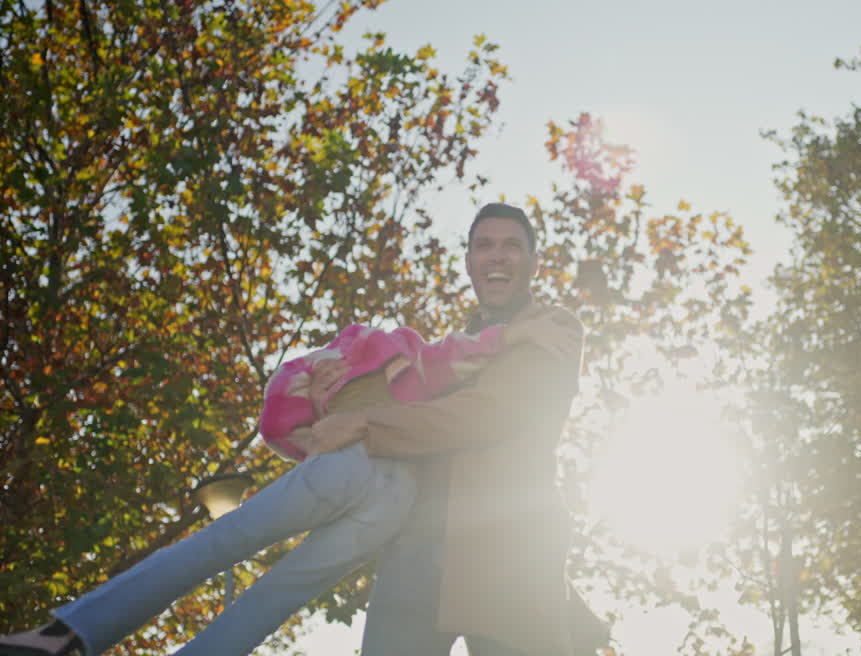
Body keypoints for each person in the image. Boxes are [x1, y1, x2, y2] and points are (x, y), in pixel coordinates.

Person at [0, 281, 527, 656]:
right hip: (399, 504)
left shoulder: (378, 352)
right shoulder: (461, 381)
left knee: (221, 541)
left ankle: (64, 635)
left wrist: (324, 400)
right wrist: (518, 338)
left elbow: (282, 419)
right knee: (281, 594)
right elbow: (470, 355)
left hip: (356, 467)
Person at [308, 202, 608, 656]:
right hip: (415, 550)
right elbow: (394, 406)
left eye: (512, 245)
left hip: (511, 554)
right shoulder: (452, 352)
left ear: (534, 262)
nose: (497, 255)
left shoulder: (554, 328)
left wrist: (362, 423)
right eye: (484, 245)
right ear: (469, 263)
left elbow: (485, 414)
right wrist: (329, 393)